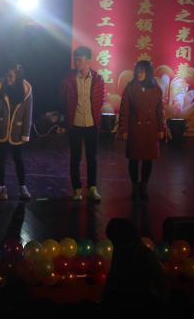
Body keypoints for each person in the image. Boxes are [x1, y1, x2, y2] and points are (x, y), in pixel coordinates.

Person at [61, 45, 105, 201]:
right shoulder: (69, 79)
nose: (77, 62)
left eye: (80, 59)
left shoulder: (98, 79)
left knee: (92, 158)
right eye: (75, 59)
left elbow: (100, 101)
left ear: (88, 61)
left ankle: (92, 188)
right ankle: (77, 189)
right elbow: (63, 100)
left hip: (92, 123)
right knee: (75, 158)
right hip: (75, 123)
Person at [118, 60, 166, 201]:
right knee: (133, 159)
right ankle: (134, 187)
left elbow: (160, 110)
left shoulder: (156, 89)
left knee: (148, 160)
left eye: (143, 71)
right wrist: (124, 129)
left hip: (151, 129)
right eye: (138, 71)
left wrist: (161, 128)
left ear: (148, 72)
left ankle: (144, 187)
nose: (140, 73)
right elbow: (124, 110)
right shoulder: (130, 87)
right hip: (135, 128)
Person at [102, 218, 168, 317]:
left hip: (141, 304)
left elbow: (161, 283)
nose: (114, 245)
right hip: (132, 302)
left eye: (115, 241)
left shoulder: (144, 255)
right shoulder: (124, 251)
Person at [0, 64, 33, 201]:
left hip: (17, 132)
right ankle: (1, 187)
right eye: (7, 75)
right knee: (1, 158)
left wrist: (25, 133)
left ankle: (22, 187)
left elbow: (28, 112)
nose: (9, 79)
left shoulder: (26, 89)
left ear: (18, 76)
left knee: (18, 159)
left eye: (11, 76)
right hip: (1, 128)